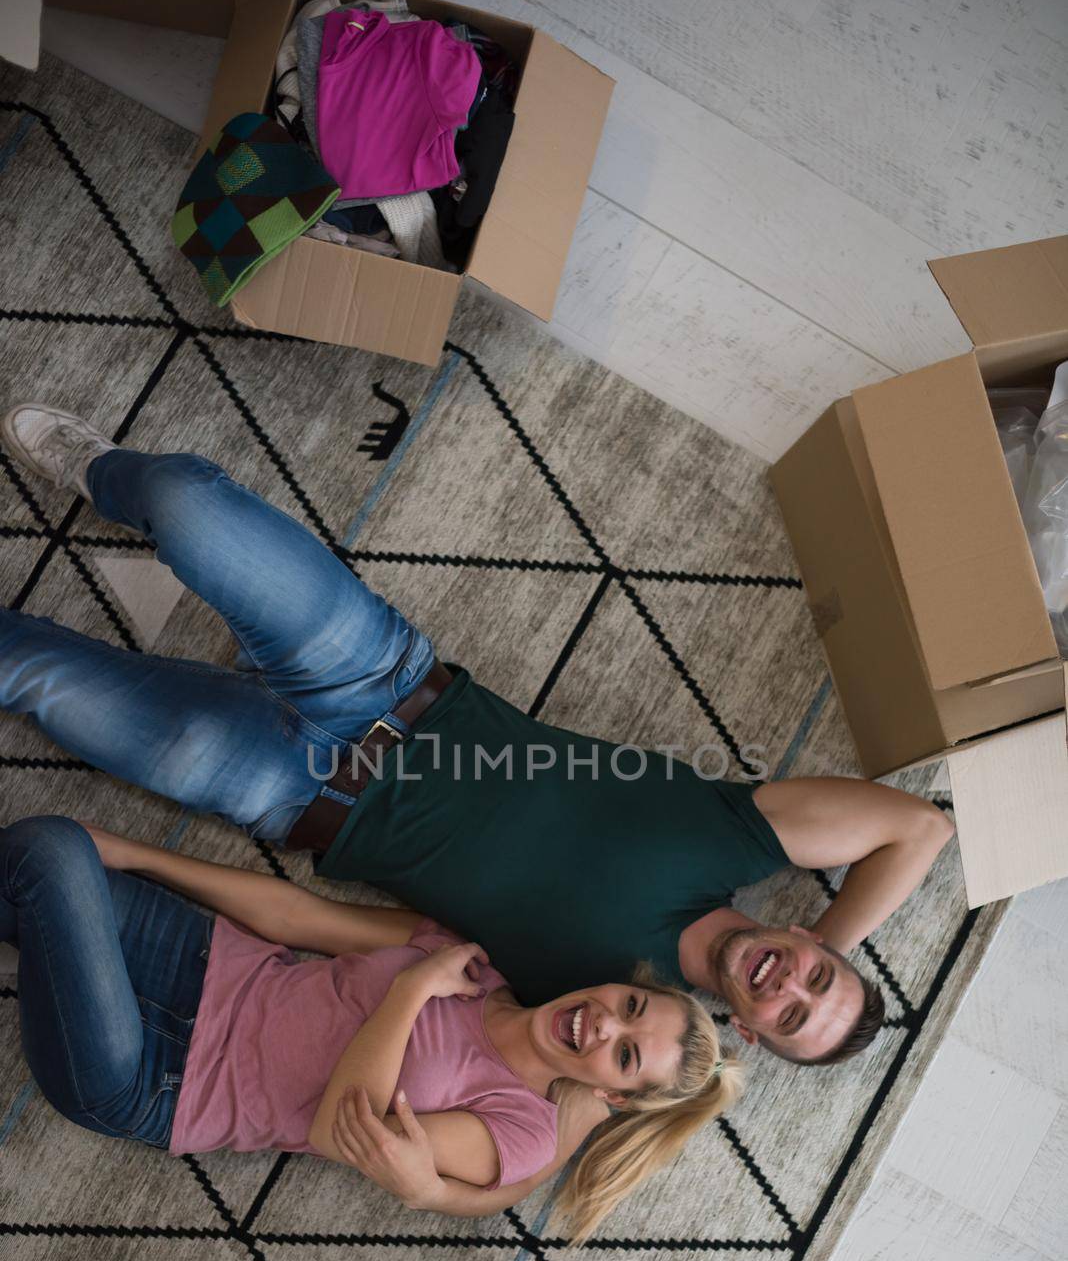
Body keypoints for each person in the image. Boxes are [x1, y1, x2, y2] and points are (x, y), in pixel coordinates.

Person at [0, 405, 956, 1067]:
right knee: (184, 506)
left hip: (288, 796)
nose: (789, 982)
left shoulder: (616, 1016)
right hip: (386, 677)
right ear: (809, 937)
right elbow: (919, 831)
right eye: (816, 976)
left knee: (33, 678)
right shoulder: (740, 840)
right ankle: (103, 470)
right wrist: (831, 938)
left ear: (748, 1034)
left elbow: (474, 1054)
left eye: (789, 1016)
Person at [0, 814, 742, 1240]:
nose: (605, 1024)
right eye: (632, 1007)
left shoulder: (519, 1131)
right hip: (199, 962)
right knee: (41, 857)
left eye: (624, 1056)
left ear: (611, 1097)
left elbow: (337, 1128)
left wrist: (413, 989)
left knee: (47, 856)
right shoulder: (478, 964)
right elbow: (298, 917)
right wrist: (134, 855)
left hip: (158, 1082)